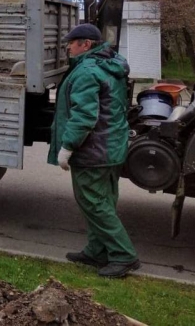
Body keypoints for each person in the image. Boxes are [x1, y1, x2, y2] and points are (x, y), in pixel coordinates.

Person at [48, 23, 140, 278]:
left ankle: (123, 256)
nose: (67, 46)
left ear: (86, 45)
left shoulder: (87, 71)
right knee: (103, 202)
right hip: (111, 148)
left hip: (94, 152)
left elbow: (85, 116)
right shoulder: (109, 64)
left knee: (94, 203)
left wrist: (68, 147)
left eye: (72, 42)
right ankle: (97, 251)